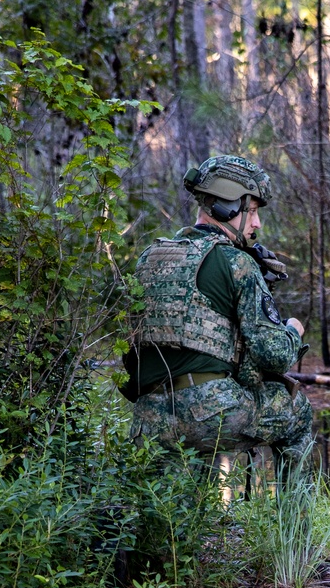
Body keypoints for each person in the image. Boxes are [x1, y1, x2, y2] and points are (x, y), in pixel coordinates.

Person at [121, 154, 314, 471]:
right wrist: (293, 330)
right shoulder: (237, 262)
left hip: (148, 420)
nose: (257, 223)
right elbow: (276, 356)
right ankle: (294, 522)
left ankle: (200, 518)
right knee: (297, 410)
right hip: (210, 414)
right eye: (251, 211)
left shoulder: (150, 257)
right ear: (227, 208)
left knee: (167, 510)